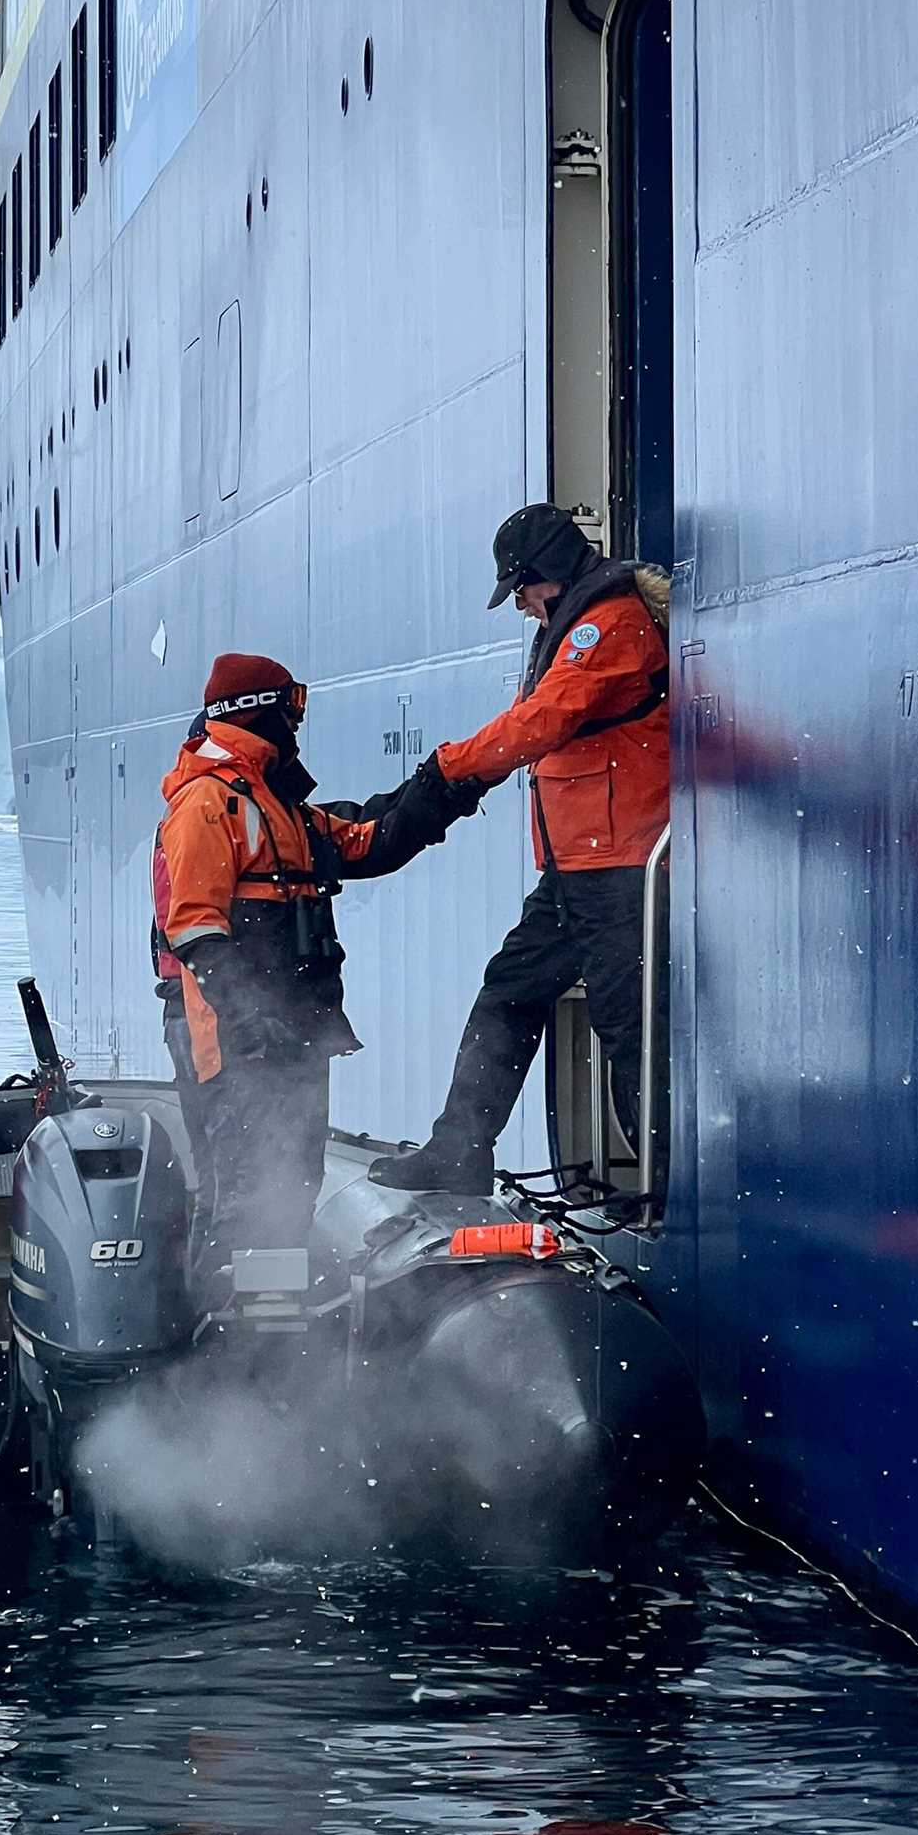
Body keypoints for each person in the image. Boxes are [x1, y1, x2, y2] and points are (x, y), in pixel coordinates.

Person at [157, 653, 483, 1284]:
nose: (297, 721)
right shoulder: (207, 803)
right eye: (292, 704)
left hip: (293, 1032)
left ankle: (271, 1337)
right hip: (237, 1040)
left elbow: (367, 842)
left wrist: (446, 789)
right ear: (254, 709)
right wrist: (248, 1019)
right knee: (247, 1193)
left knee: (292, 1180)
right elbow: (194, 924)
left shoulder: (277, 807)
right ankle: (231, 1354)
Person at [370, 505, 670, 1193]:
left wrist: (448, 770)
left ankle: (670, 1189)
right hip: (582, 865)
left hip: (621, 866)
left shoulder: (608, 626)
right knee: (510, 992)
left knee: (633, 1030)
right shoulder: (578, 625)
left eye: (524, 590)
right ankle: (459, 1149)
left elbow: (543, 720)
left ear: (552, 574)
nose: (523, 607)